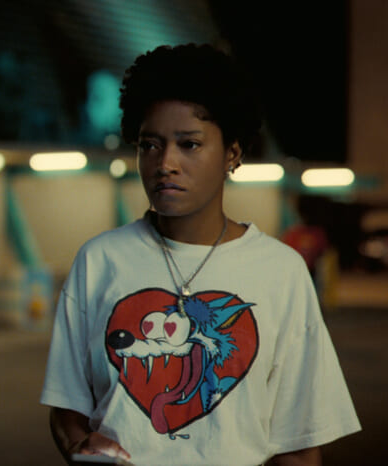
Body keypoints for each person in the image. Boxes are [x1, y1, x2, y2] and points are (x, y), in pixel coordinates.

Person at [40, 43, 360, 465]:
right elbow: (67, 409)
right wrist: (80, 446)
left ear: (232, 153)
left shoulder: (281, 270)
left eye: (189, 144)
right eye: (149, 145)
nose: (165, 163)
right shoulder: (99, 261)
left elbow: (299, 445)